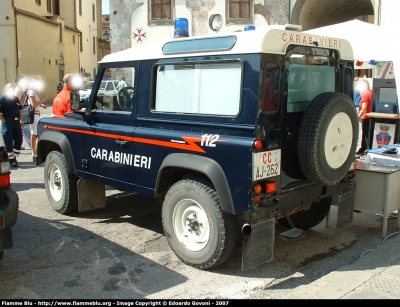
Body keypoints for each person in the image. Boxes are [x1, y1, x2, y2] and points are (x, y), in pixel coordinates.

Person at [0, 83, 24, 167]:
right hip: (8, 122)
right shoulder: (2, 99)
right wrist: (4, 120)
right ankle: (11, 159)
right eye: (10, 89)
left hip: (16, 121)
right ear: (6, 90)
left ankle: (13, 155)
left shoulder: (16, 98)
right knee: (8, 140)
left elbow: (20, 110)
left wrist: (22, 121)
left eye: (13, 88)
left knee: (19, 139)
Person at [26, 77, 48, 160]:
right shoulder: (31, 92)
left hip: (37, 114)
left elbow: (35, 104)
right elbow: (32, 105)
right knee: (34, 133)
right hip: (34, 115)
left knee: (36, 133)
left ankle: (36, 151)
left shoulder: (34, 92)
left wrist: (41, 105)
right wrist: (41, 101)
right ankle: (34, 151)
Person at [356, 79, 373, 156]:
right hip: (371, 117)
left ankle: (364, 149)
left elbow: (363, 108)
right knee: (368, 134)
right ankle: (367, 149)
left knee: (365, 134)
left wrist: (357, 117)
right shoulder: (371, 92)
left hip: (366, 116)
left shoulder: (366, 94)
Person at [14, 75, 27, 150]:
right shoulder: (18, 91)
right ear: (18, 83)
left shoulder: (20, 90)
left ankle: (17, 144)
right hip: (18, 112)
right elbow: (16, 103)